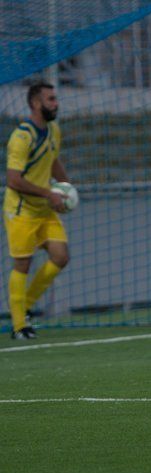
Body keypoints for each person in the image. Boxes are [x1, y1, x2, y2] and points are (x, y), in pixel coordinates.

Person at [4, 82, 71, 340]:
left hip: (44, 209)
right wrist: (48, 193)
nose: (56, 103)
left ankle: (23, 305)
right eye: (51, 99)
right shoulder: (21, 137)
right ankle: (19, 325)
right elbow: (13, 180)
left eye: (56, 98)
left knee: (60, 256)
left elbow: (52, 160)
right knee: (23, 263)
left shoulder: (53, 130)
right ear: (35, 103)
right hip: (20, 210)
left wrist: (66, 190)